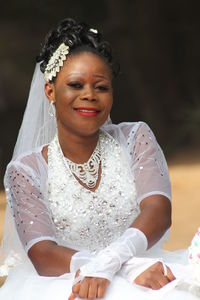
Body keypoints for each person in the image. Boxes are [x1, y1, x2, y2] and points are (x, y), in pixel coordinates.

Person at [0, 18, 199, 300]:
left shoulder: (135, 138)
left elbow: (158, 211)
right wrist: (123, 267)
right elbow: (42, 254)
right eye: (76, 85)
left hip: (147, 276)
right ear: (50, 91)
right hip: (69, 284)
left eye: (101, 87)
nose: (89, 95)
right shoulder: (26, 171)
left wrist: (113, 261)